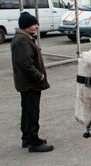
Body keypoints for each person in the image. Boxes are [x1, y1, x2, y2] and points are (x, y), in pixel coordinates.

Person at [11, 12, 54, 152]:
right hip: (30, 84)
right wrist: (39, 77)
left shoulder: (23, 38)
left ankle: (27, 138)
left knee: (28, 111)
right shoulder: (22, 41)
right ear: (26, 26)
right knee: (32, 113)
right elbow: (25, 64)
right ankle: (33, 142)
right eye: (34, 24)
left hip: (27, 83)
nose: (37, 26)